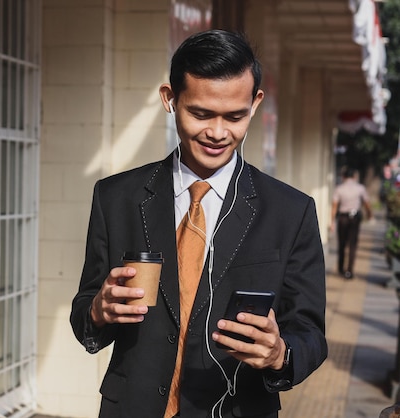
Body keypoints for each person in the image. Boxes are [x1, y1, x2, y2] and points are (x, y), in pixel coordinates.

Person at [70, 29, 327, 418]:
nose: (218, 133)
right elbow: (85, 312)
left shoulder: (292, 211)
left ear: (255, 104)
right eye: (201, 113)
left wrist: (280, 353)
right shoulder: (115, 197)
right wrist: (97, 312)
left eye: (235, 116)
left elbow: (310, 333)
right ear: (170, 100)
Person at [330, 168, 372, 279]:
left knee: (342, 244)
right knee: (352, 245)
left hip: (343, 218)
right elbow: (366, 203)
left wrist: (332, 221)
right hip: (355, 218)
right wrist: (369, 214)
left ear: (343, 177)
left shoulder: (339, 189)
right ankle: (349, 271)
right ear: (354, 176)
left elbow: (334, 205)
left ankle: (340, 268)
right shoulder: (360, 188)